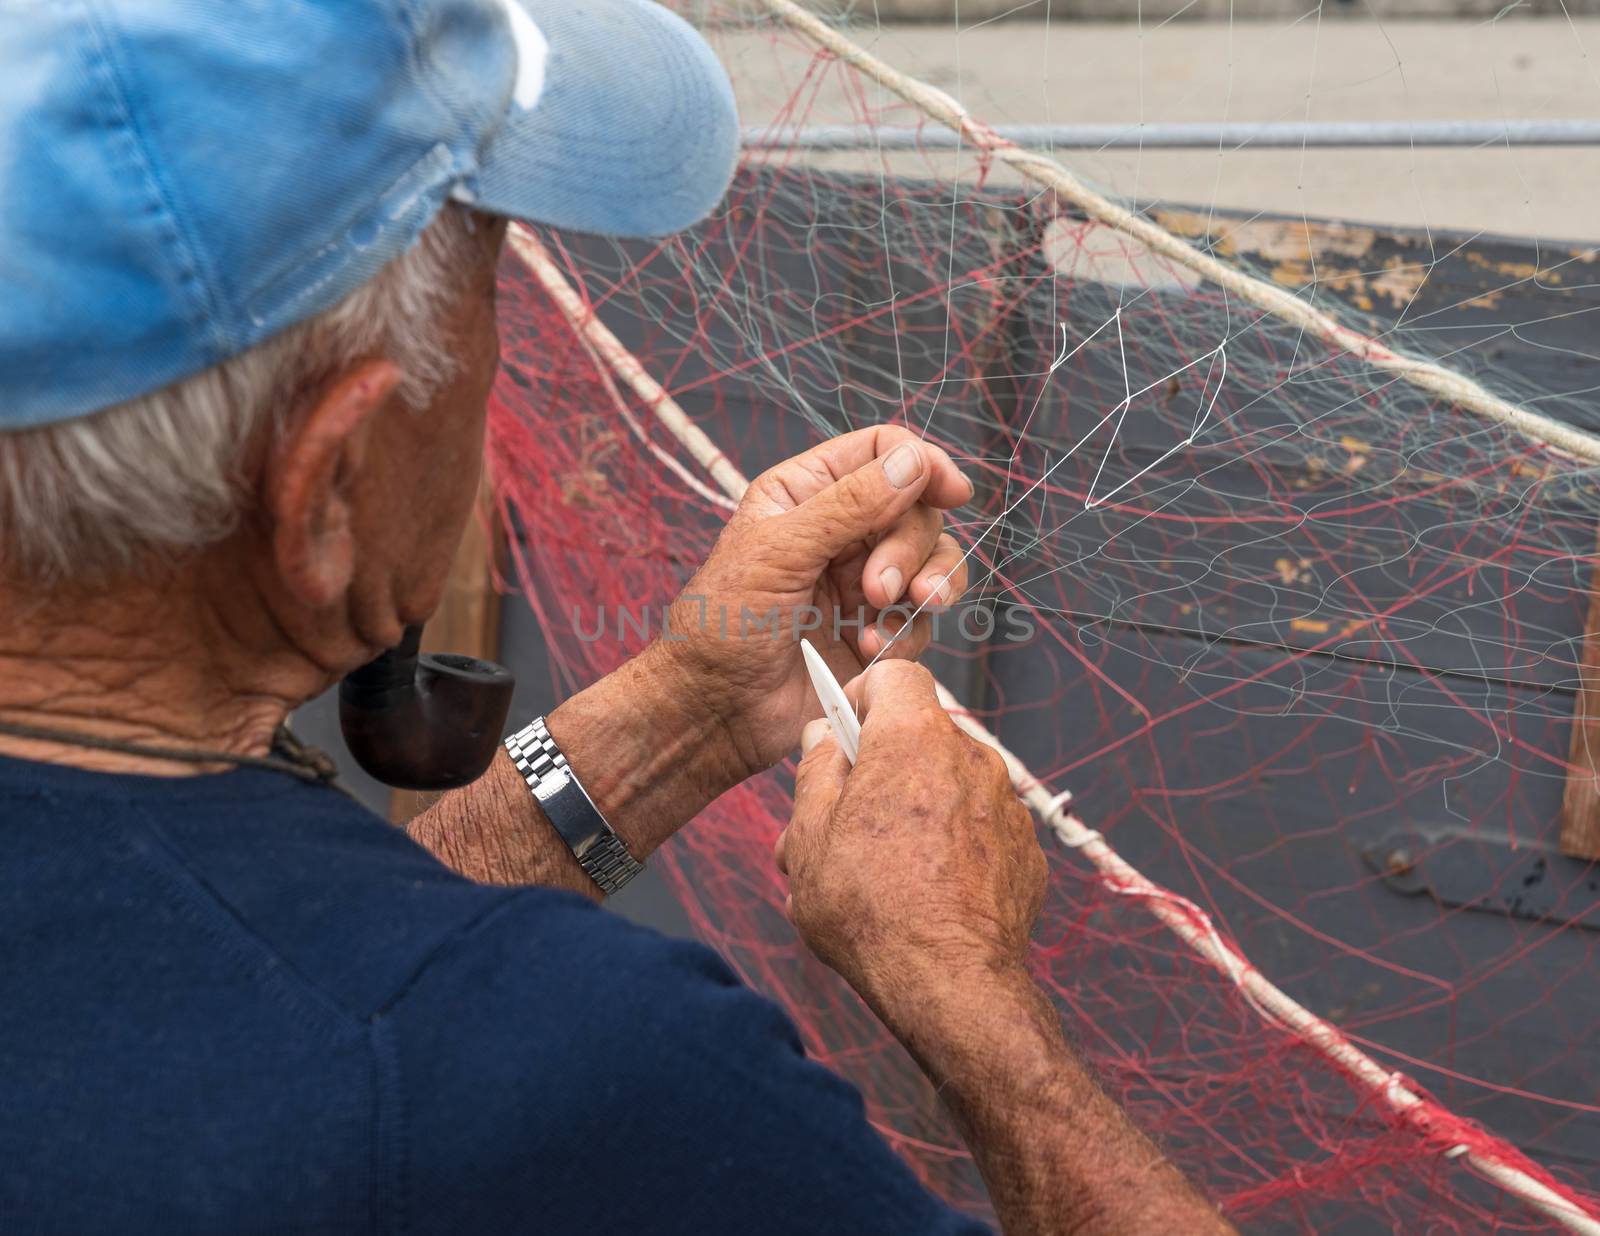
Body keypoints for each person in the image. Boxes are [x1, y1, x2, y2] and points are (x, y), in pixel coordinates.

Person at [0, 1, 1233, 1233]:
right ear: (328, 484)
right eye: (488, 293)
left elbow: (241, 994)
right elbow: (358, 1027)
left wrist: (690, 710)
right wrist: (971, 1001)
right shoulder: (600, 1074)